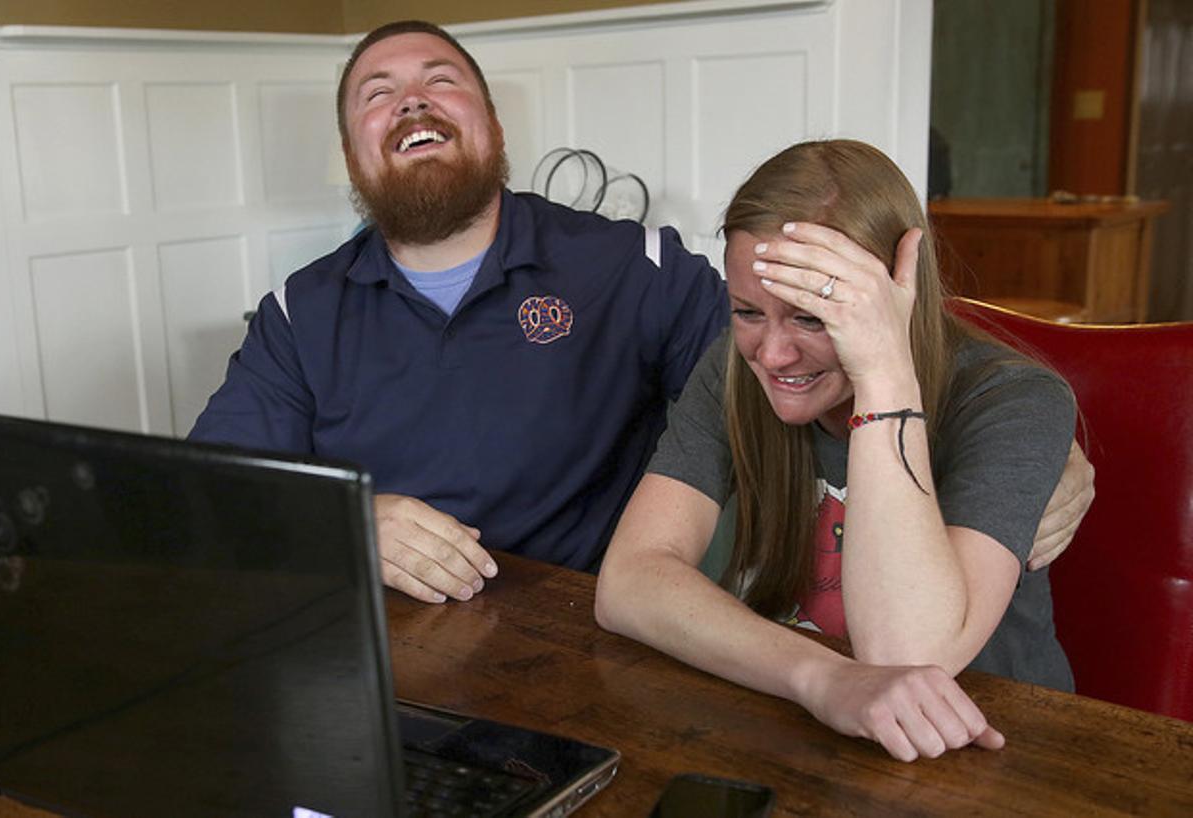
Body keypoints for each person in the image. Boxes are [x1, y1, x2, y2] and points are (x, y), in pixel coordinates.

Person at [189, 21, 1091, 606]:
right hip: (369, 631)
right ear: (353, 153)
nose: (412, 98)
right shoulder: (297, 311)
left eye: (441, 79)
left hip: (577, 631)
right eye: (375, 93)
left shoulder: (626, 263)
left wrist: (1035, 440)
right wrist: (352, 521)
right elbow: (208, 491)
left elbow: (812, 345)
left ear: (496, 128)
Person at [594, 139, 1079, 762]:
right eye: (747, 311)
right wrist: (819, 677)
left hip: (985, 748)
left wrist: (883, 369)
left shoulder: (1015, 399)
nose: (771, 354)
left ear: (893, 296)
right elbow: (630, 580)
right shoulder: (734, 371)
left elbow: (908, 656)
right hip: (806, 730)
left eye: (812, 319)